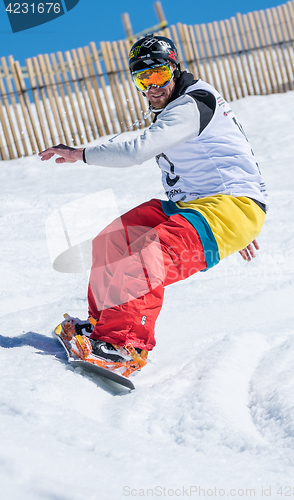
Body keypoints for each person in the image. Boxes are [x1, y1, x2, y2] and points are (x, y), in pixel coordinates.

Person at [40, 35, 268, 378]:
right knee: (112, 241)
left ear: (175, 69)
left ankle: (124, 345)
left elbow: (137, 151)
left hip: (229, 207)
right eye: (142, 78)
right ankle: (101, 328)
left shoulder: (193, 103)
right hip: (201, 207)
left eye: (159, 74)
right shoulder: (175, 108)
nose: (152, 85)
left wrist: (80, 154)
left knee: (148, 257)